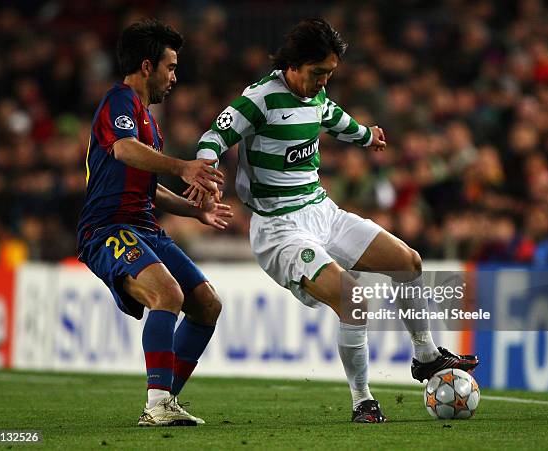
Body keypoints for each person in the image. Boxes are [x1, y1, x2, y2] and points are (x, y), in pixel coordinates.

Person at [186, 18, 479, 423]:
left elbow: (336, 119)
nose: (323, 82)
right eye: (317, 73)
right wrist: (204, 166)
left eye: (329, 75)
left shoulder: (316, 97)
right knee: (353, 298)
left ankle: (426, 356)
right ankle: (363, 400)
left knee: (408, 262)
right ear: (294, 65)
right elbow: (214, 137)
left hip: (323, 212)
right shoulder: (261, 99)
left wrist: (367, 136)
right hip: (279, 229)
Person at [77, 19, 232, 427]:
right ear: (148, 67)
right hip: (107, 229)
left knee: (207, 305)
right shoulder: (119, 101)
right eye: (171, 67)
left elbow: (147, 188)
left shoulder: (149, 120)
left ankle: (165, 400)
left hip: (144, 227)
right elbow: (126, 151)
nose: (174, 77)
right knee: (168, 293)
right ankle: (157, 404)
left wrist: (193, 209)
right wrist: (182, 167)